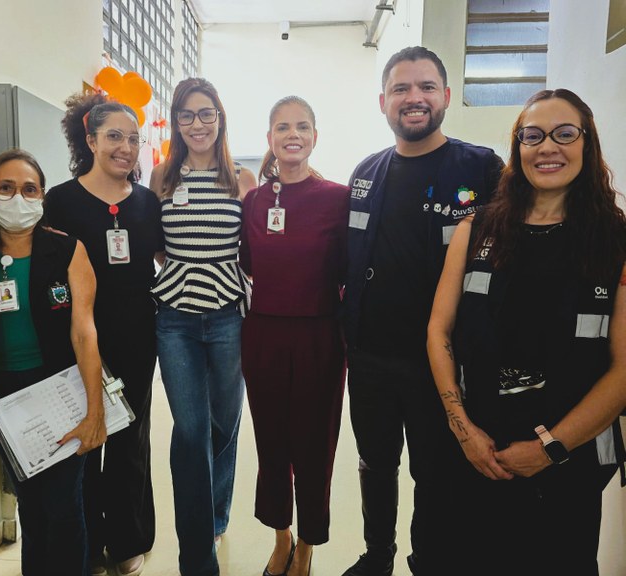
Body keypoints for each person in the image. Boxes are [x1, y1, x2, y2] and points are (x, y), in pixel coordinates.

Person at [427, 89, 626, 576]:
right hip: (479, 456)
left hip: (569, 466)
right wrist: (464, 430)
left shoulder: (615, 240)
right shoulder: (476, 230)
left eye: (565, 134)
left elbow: (624, 370)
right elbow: (438, 332)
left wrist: (549, 449)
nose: (547, 147)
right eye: (532, 136)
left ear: (587, 143)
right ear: (518, 147)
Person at [341, 46, 504, 576]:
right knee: (375, 464)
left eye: (426, 87)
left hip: (441, 361)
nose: (414, 98)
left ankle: (429, 561)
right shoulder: (367, 172)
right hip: (370, 357)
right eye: (401, 89)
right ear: (383, 102)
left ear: (447, 96)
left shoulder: (481, 168)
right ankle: (377, 557)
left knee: (436, 472)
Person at [46, 94, 163, 576]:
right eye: (114, 136)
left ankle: (128, 538)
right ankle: (89, 543)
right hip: (78, 337)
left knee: (130, 438)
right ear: (91, 140)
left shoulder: (147, 202)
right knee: (86, 437)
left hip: (137, 335)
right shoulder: (60, 201)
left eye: (134, 139)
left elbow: (162, 262)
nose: (125, 147)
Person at [150, 77, 256, 576]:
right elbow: (156, 245)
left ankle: (215, 514)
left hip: (229, 315)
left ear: (220, 119)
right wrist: (185, 273)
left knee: (224, 424)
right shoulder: (161, 177)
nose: (197, 124)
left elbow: (254, 245)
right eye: (187, 115)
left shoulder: (241, 179)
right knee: (191, 431)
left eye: (206, 113)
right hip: (175, 319)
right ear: (176, 122)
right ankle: (196, 555)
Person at [0, 149, 106, 576]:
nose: (18, 198)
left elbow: (84, 333)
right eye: (6, 188)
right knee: (31, 505)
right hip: (0, 398)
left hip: (57, 392)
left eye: (29, 189)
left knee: (64, 506)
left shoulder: (67, 250)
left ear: (42, 196)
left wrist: (94, 410)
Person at [240, 96, 349, 576]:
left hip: (319, 337)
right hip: (263, 335)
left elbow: (349, 267)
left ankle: (308, 542)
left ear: (314, 137)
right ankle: (281, 535)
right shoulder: (254, 202)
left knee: (314, 446)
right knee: (272, 444)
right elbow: (247, 264)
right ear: (270, 138)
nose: (292, 135)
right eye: (283, 127)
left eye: (302, 126)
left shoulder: (337, 198)